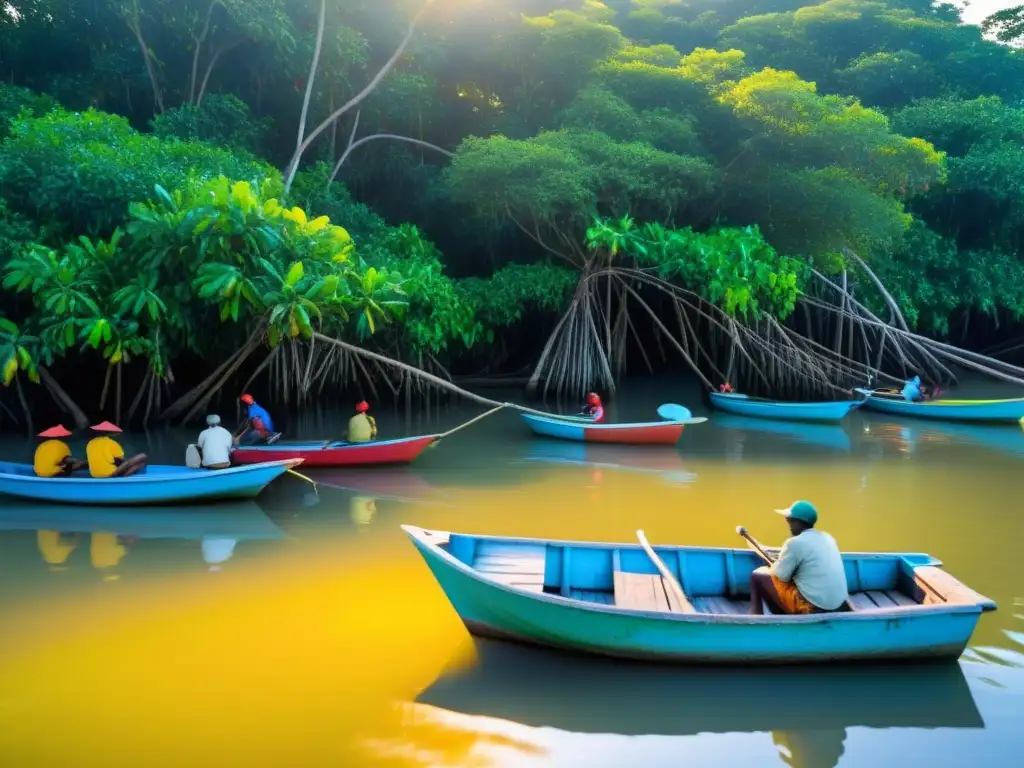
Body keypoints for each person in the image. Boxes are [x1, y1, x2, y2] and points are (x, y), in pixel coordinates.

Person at [748, 500, 848, 615]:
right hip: (837, 603)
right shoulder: (828, 538)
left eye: (789, 520)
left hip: (812, 608)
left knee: (757, 575)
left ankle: (755, 616)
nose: (788, 523)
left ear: (798, 522)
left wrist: (775, 565)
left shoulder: (794, 543)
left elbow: (782, 577)